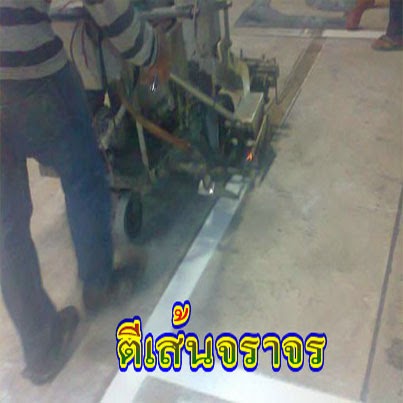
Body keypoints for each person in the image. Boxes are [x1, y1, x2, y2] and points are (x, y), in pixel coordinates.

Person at [0, 0, 170, 385]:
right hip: (31, 74)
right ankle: (98, 284)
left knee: (6, 222)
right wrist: (151, 50)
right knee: (84, 175)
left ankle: (40, 346)